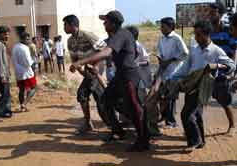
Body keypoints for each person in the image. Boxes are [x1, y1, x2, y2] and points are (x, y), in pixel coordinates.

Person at [70, 10, 150, 152]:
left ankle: (143, 140)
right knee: (106, 100)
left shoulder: (120, 34)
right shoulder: (120, 35)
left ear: (113, 23)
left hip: (129, 76)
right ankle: (118, 130)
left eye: (106, 21)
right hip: (121, 75)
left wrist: (81, 62)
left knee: (135, 109)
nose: (103, 23)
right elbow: (133, 53)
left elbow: (107, 52)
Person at [175, 20, 235, 151]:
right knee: (196, 114)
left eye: (199, 35)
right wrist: (173, 77)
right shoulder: (194, 50)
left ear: (207, 34)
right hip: (191, 85)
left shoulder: (216, 51)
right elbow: (186, 67)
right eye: (195, 34)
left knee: (186, 114)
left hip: (204, 87)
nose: (196, 38)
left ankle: (193, 141)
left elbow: (231, 65)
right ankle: (200, 141)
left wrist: (217, 65)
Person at [63, 14, 108, 134]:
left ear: (73, 25)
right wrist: (80, 71)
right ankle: (105, 123)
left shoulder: (88, 35)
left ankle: (109, 124)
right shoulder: (70, 41)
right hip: (88, 70)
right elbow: (75, 60)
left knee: (86, 94)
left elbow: (104, 50)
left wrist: (96, 67)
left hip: (97, 66)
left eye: (65, 25)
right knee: (97, 96)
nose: (64, 27)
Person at [151, 17, 189, 128]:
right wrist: (160, 59)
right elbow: (159, 51)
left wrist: (171, 60)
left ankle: (171, 122)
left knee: (170, 97)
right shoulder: (162, 39)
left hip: (174, 71)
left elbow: (185, 53)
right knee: (162, 95)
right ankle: (164, 117)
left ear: (170, 27)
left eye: (163, 26)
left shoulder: (177, 38)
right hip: (164, 71)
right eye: (161, 26)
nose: (161, 28)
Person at [208, 3, 236, 134]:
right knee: (202, 97)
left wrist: (232, 69)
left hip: (224, 69)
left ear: (220, 13)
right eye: (210, 12)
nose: (211, 14)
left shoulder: (227, 30)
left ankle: (232, 125)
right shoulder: (208, 31)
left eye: (213, 12)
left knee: (224, 99)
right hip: (210, 69)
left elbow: (234, 50)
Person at [12, 32, 37, 112]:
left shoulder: (15, 46)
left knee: (21, 90)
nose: (28, 40)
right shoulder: (25, 48)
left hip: (18, 72)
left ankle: (22, 107)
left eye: (28, 39)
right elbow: (28, 63)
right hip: (26, 72)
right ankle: (24, 104)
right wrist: (34, 59)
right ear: (22, 39)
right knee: (34, 87)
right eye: (27, 39)